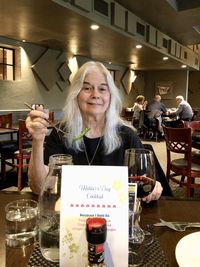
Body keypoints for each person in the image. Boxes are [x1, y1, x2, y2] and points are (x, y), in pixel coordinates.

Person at [26, 61, 163, 202]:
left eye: (102, 89)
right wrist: (37, 140)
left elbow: (143, 179)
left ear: (110, 96)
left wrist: (155, 186)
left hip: (114, 217)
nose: (95, 94)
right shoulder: (61, 133)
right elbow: (38, 187)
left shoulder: (127, 135)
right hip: (72, 214)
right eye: (87, 88)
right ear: (76, 94)